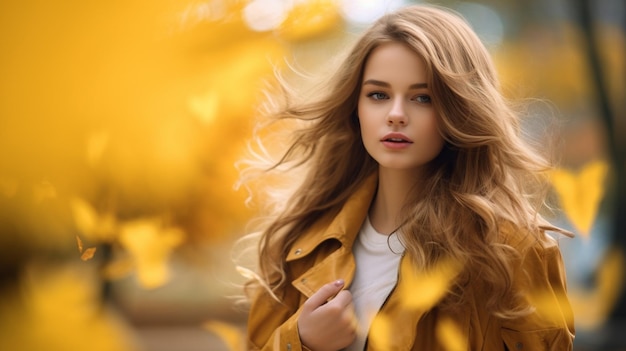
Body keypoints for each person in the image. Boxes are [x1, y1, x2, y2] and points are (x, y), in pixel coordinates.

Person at [236, 4, 575, 351]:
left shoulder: (512, 252)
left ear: (461, 108)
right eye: (378, 95)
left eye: (422, 97)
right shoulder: (300, 246)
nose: (396, 115)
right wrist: (300, 342)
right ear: (356, 107)